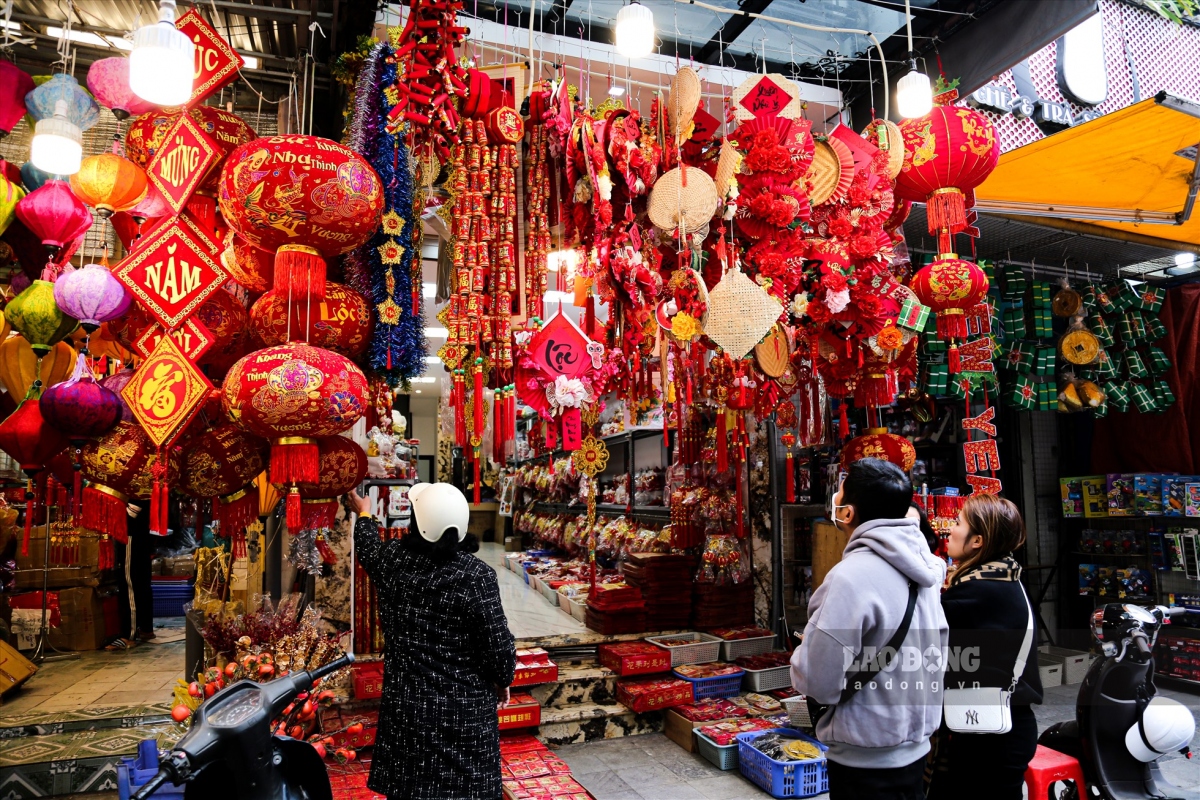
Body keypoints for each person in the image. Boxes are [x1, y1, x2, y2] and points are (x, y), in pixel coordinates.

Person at [790, 458, 949, 800]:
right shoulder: (928, 567)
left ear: (848, 512)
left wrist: (803, 654)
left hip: (865, 756)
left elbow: (820, 681)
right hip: (916, 747)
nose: (835, 496)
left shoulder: (850, 578)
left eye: (840, 491)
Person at [349, 482, 516, 800]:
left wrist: (366, 512)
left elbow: (367, 549)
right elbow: (499, 652)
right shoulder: (476, 576)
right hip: (465, 716)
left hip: (407, 711)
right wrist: (501, 679)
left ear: (416, 523)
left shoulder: (393, 562)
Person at [926, 494, 1042, 800]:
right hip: (1001, 729)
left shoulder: (978, 591)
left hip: (989, 738)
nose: (950, 528)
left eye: (959, 522)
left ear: (978, 540)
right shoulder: (1002, 577)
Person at [107, 500, 154, 651]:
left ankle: (129, 635)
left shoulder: (137, 491)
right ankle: (146, 628)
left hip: (131, 538)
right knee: (141, 584)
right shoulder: (142, 487)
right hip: (139, 537)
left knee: (130, 585)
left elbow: (129, 515)